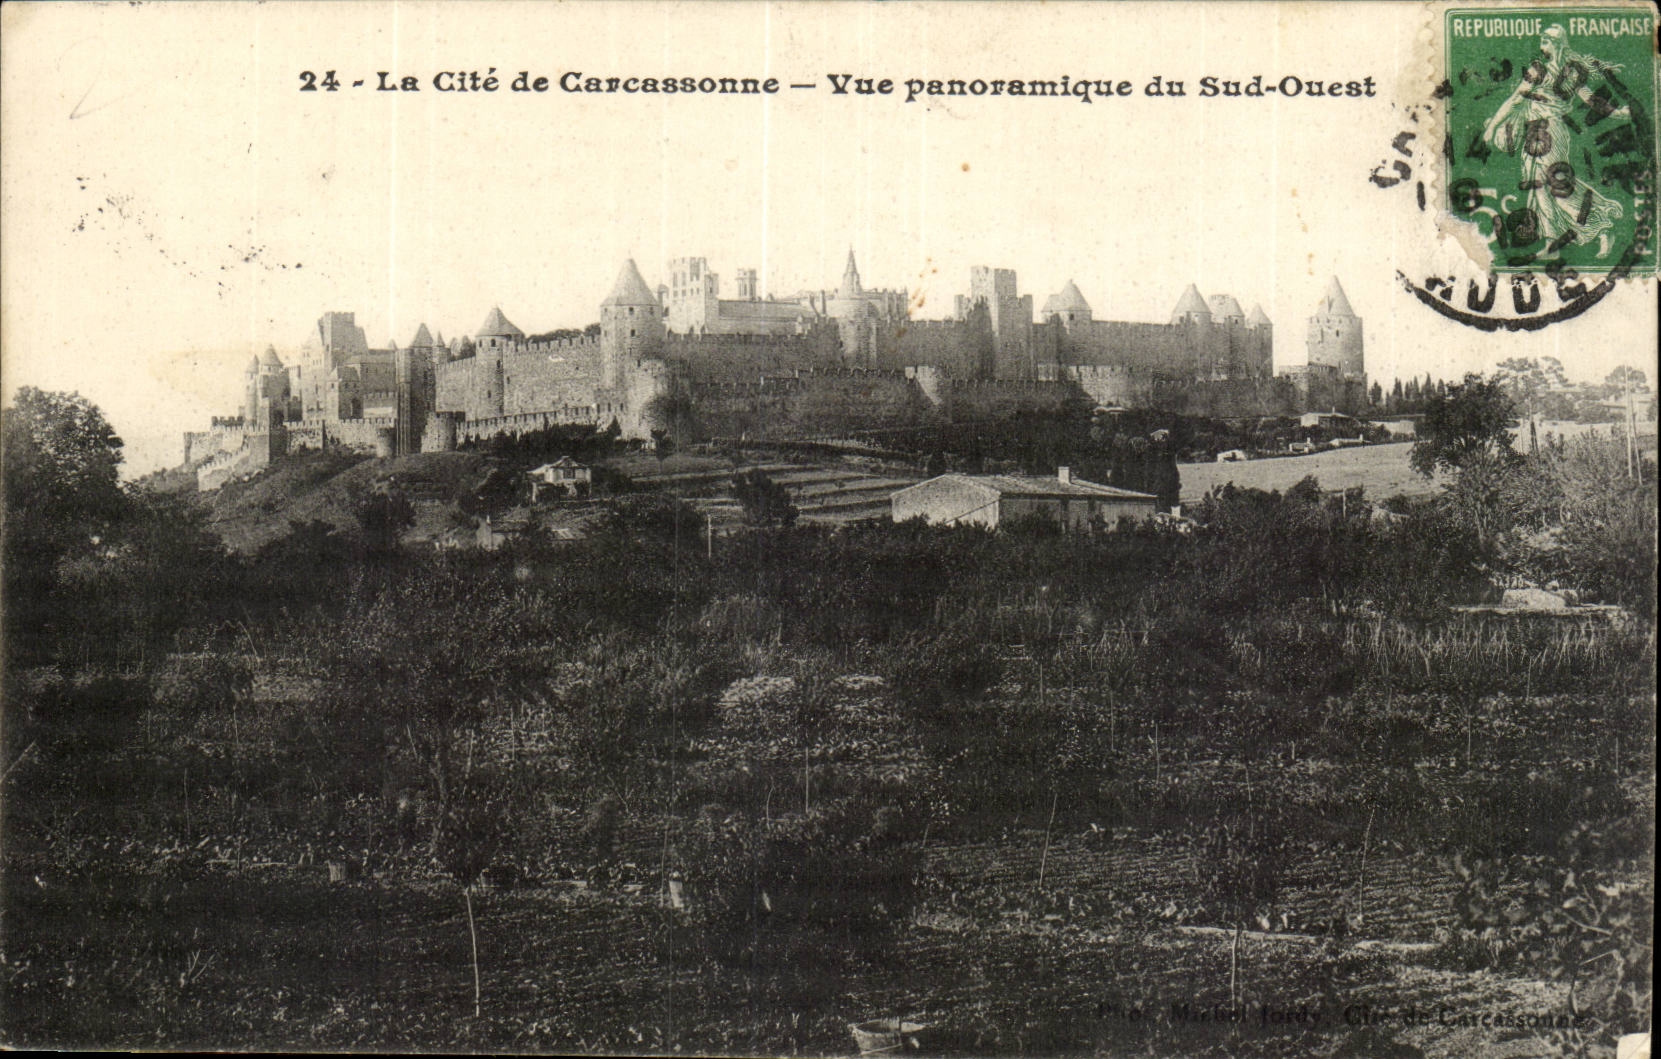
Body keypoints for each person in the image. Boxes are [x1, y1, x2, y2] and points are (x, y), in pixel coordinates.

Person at [1481, 24, 1628, 257]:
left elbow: (1591, 100)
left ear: (1558, 44)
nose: (1543, 42)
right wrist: (1492, 126)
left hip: (1550, 133)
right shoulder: (1547, 70)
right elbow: (1516, 100)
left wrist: (1618, 113)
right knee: (1539, 186)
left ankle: (1600, 227)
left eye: (1548, 39)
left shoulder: (1565, 73)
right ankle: (1552, 243)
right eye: (1543, 38)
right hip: (1534, 133)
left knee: (1558, 187)